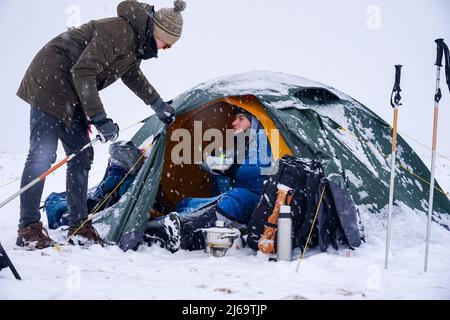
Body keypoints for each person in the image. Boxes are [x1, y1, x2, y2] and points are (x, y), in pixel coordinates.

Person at [15, 0, 186, 249]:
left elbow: (132, 76)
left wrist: (157, 103)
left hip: (72, 93)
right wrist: (100, 118)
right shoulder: (119, 31)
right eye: (168, 43)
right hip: (49, 84)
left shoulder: (134, 43)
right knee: (42, 156)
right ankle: (28, 229)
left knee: (81, 156)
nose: (166, 48)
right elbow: (83, 71)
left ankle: (79, 226)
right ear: (158, 32)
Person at [144, 108, 273, 252]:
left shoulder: (265, 140)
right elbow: (225, 160)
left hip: (258, 199)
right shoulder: (240, 144)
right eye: (235, 118)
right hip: (233, 194)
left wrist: (229, 167)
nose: (234, 122)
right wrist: (214, 163)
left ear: (255, 122)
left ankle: (189, 232)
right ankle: (165, 223)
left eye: (241, 119)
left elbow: (260, 168)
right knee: (185, 202)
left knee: (233, 200)